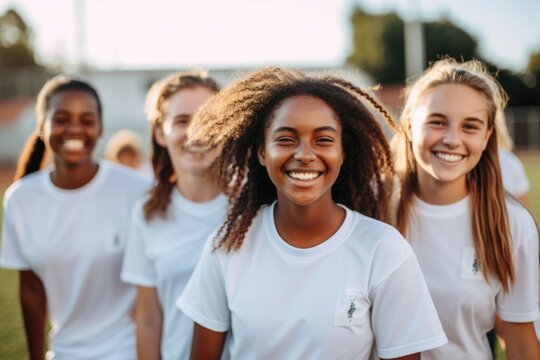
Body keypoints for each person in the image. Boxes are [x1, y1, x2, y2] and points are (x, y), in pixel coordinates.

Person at [176, 67, 447, 359]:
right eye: (286, 139)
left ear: (343, 152)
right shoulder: (227, 248)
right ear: (262, 152)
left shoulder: (384, 251)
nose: (305, 154)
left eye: (323, 140)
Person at [391, 58, 539, 359]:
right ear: (409, 125)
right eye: (437, 121)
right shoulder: (370, 207)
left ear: (487, 137)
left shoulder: (511, 223)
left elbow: (522, 343)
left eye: (470, 126)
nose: (451, 139)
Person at [0, 75, 150, 359]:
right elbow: (31, 289)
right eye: (61, 119)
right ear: (42, 127)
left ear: (101, 128)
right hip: (65, 352)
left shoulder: (136, 190)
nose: (74, 129)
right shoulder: (21, 200)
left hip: (129, 350)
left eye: (87, 120)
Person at [121, 70, 227, 360]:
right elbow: (148, 320)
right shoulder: (147, 215)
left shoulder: (256, 206)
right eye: (182, 121)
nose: (197, 131)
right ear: (159, 132)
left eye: (209, 120)